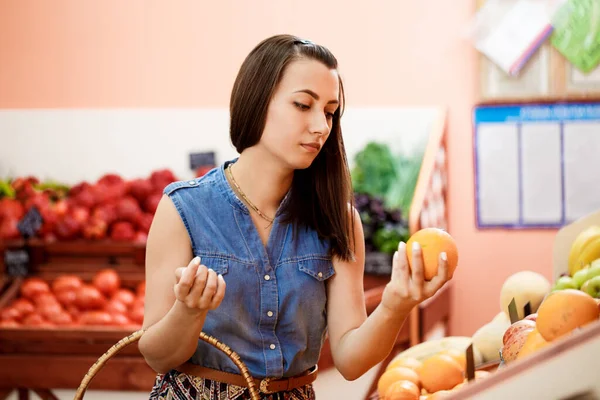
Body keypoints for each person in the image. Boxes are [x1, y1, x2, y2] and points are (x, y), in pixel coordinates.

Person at [138, 34, 451, 400]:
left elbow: (350, 359)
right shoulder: (183, 209)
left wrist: (397, 304)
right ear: (257, 102)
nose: (321, 126)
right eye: (304, 105)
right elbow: (156, 356)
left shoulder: (338, 220)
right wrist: (188, 312)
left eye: (330, 112)